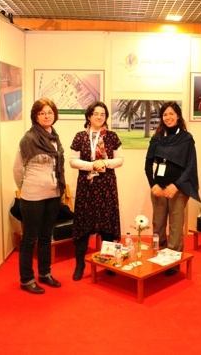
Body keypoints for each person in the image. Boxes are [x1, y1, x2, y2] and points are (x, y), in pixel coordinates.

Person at [13, 98, 65, 294]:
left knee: (45, 236)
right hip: (33, 196)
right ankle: (26, 279)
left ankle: (45, 273)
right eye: (42, 113)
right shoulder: (29, 138)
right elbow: (17, 169)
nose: (46, 116)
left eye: (49, 112)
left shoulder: (55, 137)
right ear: (36, 117)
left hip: (53, 194)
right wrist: (26, 188)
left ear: (54, 115)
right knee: (29, 238)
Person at [69, 101, 124, 281]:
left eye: (102, 114)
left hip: (107, 186)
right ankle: (80, 264)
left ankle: (108, 262)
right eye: (96, 114)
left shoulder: (112, 136)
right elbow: (72, 161)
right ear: (89, 116)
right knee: (83, 226)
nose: (99, 117)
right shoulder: (80, 137)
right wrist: (92, 165)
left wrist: (104, 163)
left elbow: (120, 160)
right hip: (87, 187)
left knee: (107, 226)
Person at [145, 102, 200, 276]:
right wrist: (153, 184)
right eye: (165, 115)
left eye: (171, 114)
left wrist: (176, 185)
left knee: (176, 228)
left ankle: (173, 263)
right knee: (158, 226)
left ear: (177, 116)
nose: (168, 117)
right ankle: (157, 257)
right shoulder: (157, 138)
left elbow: (190, 166)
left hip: (178, 190)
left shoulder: (186, 139)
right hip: (158, 190)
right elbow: (148, 164)